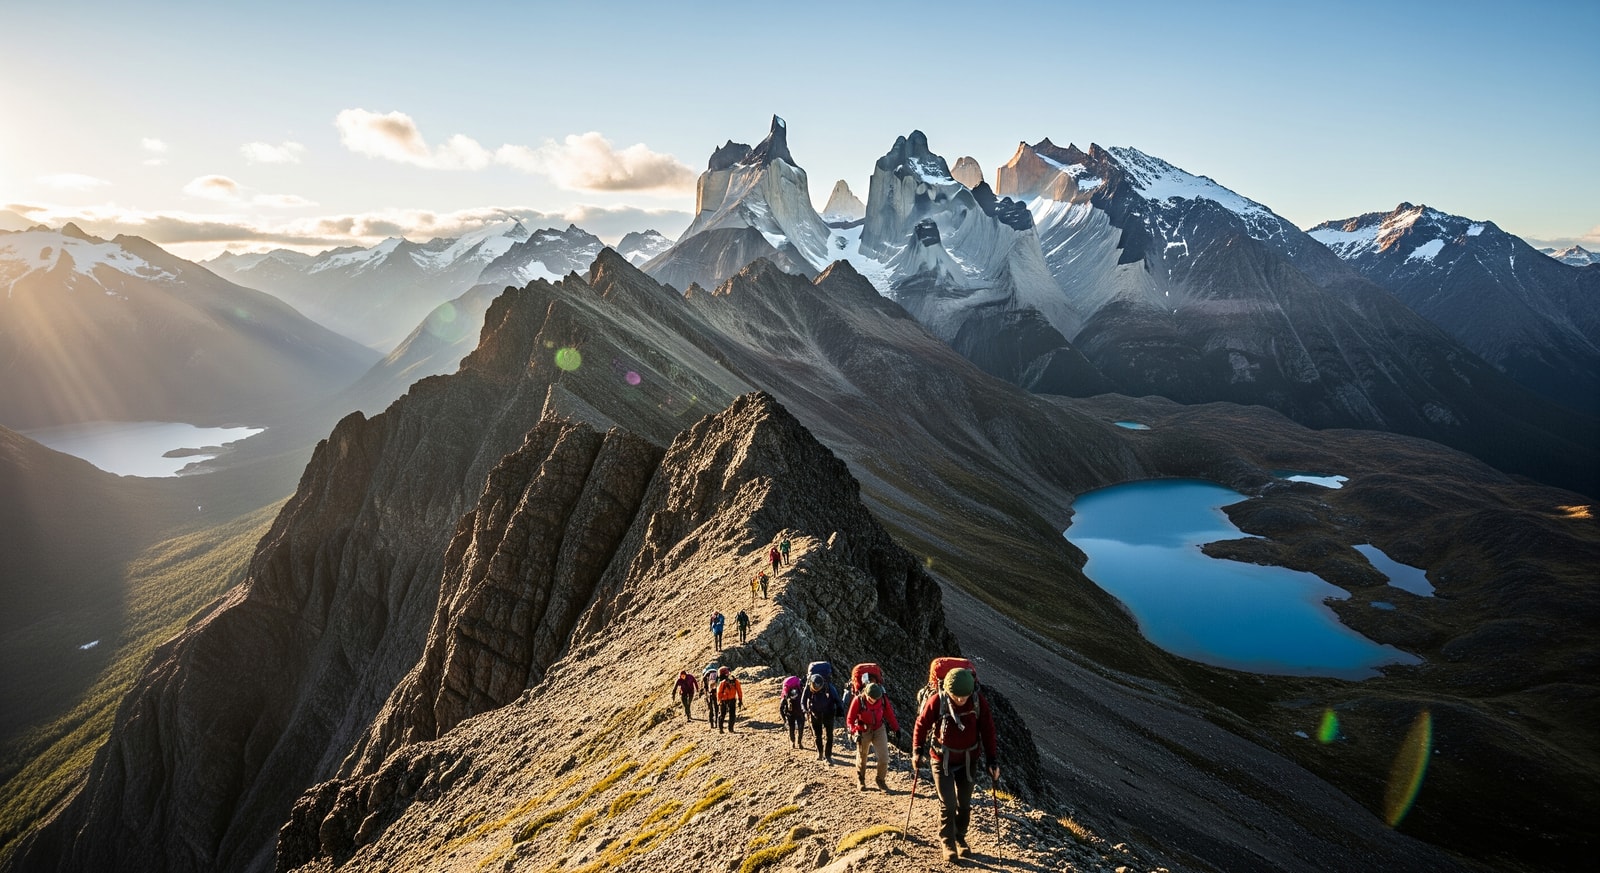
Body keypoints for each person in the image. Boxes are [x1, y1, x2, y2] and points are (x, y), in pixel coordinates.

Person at [912, 667, 998, 863]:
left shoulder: (977, 702)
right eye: (956, 696)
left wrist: (992, 760)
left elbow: (988, 729)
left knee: (965, 804)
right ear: (948, 691)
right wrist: (917, 750)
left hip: (969, 761)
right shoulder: (938, 700)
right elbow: (921, 724)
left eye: (964, 696)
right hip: (942, 760)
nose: (960, 699)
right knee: (948, 804)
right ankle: (947, 841)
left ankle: (960, 837)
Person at [846, 682, 900, 792]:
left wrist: (896, 728)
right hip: (863, 729)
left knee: (884, 757)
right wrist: (853, 731)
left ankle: (880, 780)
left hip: (879, 728)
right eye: (871, 698)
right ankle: (861, 779)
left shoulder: (882, 700)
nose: (873, 701)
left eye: (875, 699)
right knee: (862, 756)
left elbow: (889, 714)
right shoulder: (858, 700)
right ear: (865, 693)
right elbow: (850, 719)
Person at [799, 672, 842, 761]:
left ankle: (828, 755)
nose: (816, 690)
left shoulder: (828, 687)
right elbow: (802, 702)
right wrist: (804, 710)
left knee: (829, 736)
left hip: (827, 714)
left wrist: (839, 709)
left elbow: (837, 700)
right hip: (815, 714)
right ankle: (820, 753)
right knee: (818, 736)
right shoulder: (808, 687)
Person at [779, 681, 807, 749]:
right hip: (799, 714)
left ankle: (793, 742)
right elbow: (805, 702)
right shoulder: (800, 693)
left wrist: (784, 720)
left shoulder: (786, 696)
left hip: (790, 714)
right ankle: (799, 743)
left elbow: (781, 708)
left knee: (792, 728)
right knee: (800, 728)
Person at [716, 666, 743, 733]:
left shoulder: (722, 682)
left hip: (723, 700)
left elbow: (719, 692)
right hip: (732, 700)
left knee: (722, 714)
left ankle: (721, 729)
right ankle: (730, 729)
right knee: (732, 715)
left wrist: (719, 701)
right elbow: (739, 691)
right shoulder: (735, 681)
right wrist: (740, 699)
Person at [700, 662, 720, 727]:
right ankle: (716, 722)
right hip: (716, 692)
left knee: (710, 708)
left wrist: (703, 692)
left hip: (709, 694)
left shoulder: (705, 676)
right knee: (716, 707)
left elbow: (703, 687)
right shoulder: (716, 673)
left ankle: (711, 723)